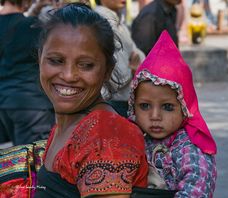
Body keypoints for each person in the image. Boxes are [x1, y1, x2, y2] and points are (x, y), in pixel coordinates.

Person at [34, 3, 148, 197]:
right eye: (56, 61)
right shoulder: (70, 123)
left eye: (86, 65)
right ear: (40, 58)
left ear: (107, 71)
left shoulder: (105, 137)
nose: (69, 75)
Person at [128, 30, 217, 197]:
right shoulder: (135, 138)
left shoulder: (189, 148)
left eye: (167, 107)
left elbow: (196, 190)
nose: (155, 116)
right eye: (145, 106)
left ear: (185, 108)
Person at [0, 0, 55, 145]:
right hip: (32, 104)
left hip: (4, 102)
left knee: (15, 160)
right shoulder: (32, 25)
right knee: (33, 160)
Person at [94, 0, 145, 118]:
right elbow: (117, 76)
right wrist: (133, 70)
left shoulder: (118, 20)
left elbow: (139, 56)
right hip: (112, 102)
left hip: (122, 101)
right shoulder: (103, 22)